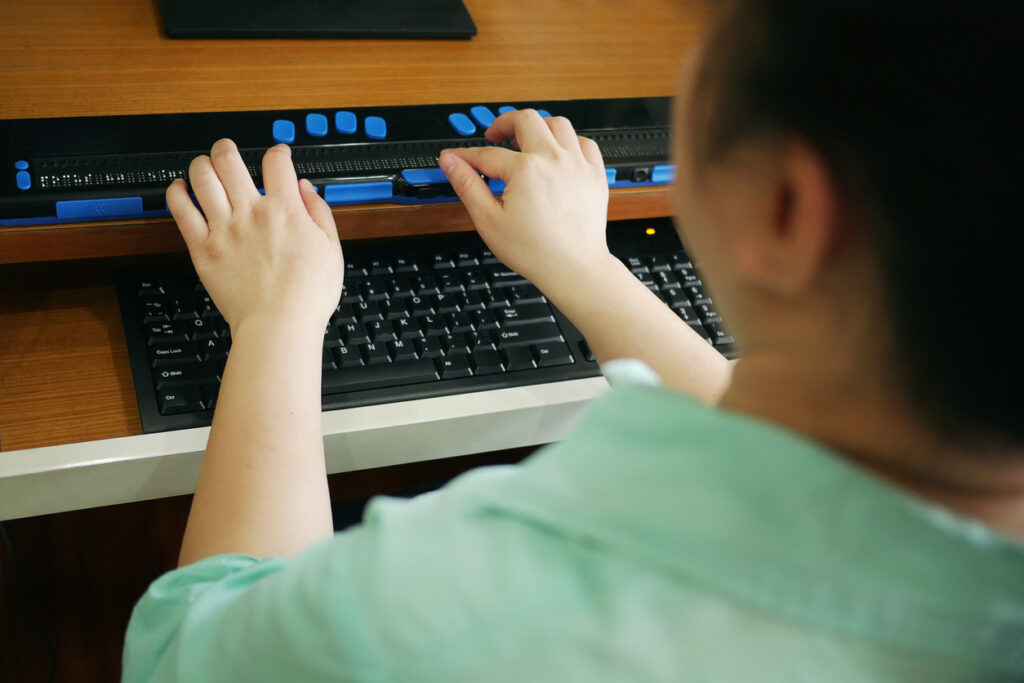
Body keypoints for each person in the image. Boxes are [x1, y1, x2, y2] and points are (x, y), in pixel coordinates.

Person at [122, 0, 1024, 680]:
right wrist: (586, 268)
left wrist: (277, 318)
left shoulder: (451, 604)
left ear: (787, 212)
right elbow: (821, 470)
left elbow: (182, 647)